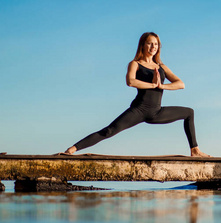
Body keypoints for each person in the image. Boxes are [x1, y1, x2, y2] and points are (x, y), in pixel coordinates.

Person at [64, 32, 210, 157]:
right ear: (142, 45)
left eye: (156, 44)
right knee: (109, 130)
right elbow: (131, 81)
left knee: (189, 113)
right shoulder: (135, 64)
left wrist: (161, 86)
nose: (153, 47)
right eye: (150, 43)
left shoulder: (162, 67)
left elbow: (180, 84)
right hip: (138, 110)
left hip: (156, 112)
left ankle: (195, 150)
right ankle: (72, 149)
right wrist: (152, 85)